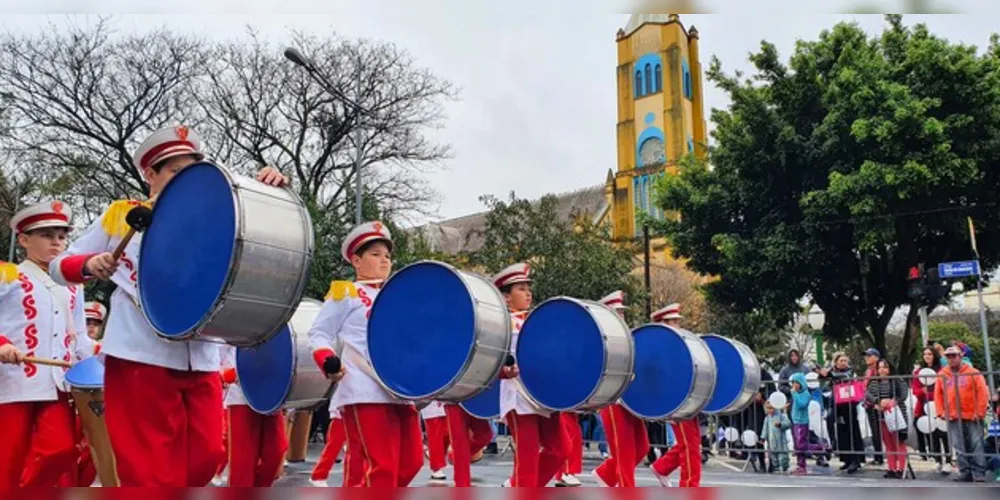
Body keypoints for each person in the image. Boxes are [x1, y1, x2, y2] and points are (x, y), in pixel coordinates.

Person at [49, 127, 288, 487]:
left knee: (207, 458)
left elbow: (263, 245)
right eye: (174, 170)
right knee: (150, 470)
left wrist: (269, 192)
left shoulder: (216, 216)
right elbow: (59, 265)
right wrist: (89, 264)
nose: (184, 180)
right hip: (140, 356)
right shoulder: (123, 214)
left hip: (202, 354)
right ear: (150, 174)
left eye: (191, 171)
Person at [309, 221, 422, 488]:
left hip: (399, 390)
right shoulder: (345, 293)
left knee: (413, 462)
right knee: (382, 466)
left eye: (387, 256)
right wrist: (327, 360)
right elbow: (319, 334)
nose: (384, 261)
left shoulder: (396, 297)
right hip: (364, 387)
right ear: (356, 261)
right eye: (375, 255)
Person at [0, 200, 94, 488]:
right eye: (47, 235)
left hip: (57, 383)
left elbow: (79, 333)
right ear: (24, 240)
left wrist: (95, 362)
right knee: (9, 459)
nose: (56, 243)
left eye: (62, 236)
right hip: (14, 382)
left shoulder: (73, 284)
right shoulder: (7, 275)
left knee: (60, 450)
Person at [495, 263, 569, 488]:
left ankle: (521, 486)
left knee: (560, 450)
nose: (528, 292)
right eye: (521, 288)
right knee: (527, 458)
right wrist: (503, 371)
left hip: (545, 395)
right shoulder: (501, 324)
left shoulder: (537, 321)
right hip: (519, 398)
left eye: (528, 288)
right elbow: (488, 359)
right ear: (506, 297)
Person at [592, 290, 650, 488]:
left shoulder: (629, 338)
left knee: (642, 448)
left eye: (622, 313)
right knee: (624, 453)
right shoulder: (601, 341)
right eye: (617, 312)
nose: (621, 317)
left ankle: (605, 475)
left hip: (633, 402)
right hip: (614, 402)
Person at [649, 303, 702, 487]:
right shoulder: (661, 348)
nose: (678, 325)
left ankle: (662, 467)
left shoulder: (679, 345)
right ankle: (689, 485)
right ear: (662, 323)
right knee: (690, 446)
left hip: (688, 400)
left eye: (678, 321)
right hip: (676, 402)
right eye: (673, 322)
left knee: (691, 443)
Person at [219, 345, 288, 486]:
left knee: (276, 451)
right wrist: (228, 373)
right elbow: (215, 351)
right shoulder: (230, 324)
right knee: (243, 463)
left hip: (270, 393)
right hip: (240, 396)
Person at [934, 346, 990, 482]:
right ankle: (965, 471)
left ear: (960, 356)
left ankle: (979, 472)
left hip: (972, 415)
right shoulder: (942, 374)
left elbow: (983, 392)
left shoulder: (973, 372)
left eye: (954, 356)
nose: (951, 359)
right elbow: (938, 394)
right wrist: (941, 411)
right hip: (953, 415)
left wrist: (980, 411)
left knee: (976, 443)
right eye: (948, 356)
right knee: (958, 445)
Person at [817, 352, 863, 474]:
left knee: (852, 431)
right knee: (841, 431)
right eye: (841, 360)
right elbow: (824, 379)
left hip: (849, 403)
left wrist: (830, 374)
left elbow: (843, 376)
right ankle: (846, 458)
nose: (844, 363)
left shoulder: (850, 371)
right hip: (837, 404)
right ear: (836, 362)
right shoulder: (832, 370)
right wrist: (820, 372)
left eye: (845, 360)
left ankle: (856, 460)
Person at [865, 358, 908, 479]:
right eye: (879, 368)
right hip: (881, 415)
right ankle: (891, 468)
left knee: (899, 442)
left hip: (896, 414)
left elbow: (903, 394)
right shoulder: (873, 382)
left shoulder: (897, 380)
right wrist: (876, 403)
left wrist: (892, 402)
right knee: (888, 443)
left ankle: (901, 469)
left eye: (885, 367)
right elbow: (867, 394)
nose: (882, 370)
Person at [912, 346, 953, 473]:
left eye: (930, 354)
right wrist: (922, 392)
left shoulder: (942, 370)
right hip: (924, 406)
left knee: (944, 432)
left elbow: (944, 389)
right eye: (925, 354)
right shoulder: (919, 372)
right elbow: (915, 389)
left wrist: (930, 393)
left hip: (940, 405)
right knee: (932, 433)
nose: (927, 356)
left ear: (934, 355)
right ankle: (937, 460)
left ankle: (948, 460)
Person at [790, 372, 826, 475]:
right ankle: (801, 466)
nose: (795, 385)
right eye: (793, 383)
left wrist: (794, 394)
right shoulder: (797, 393)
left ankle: (821, 447)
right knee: (798, 445)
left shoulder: (805, 394)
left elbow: (802, 404)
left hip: (802, 422)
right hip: (796, 421)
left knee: (802, 445)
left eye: (797, 383)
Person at [310, 409, 354, 487]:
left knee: (354, 449)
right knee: (333, 446)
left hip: (349, 412)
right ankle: (318, 475)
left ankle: (352, 482)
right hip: (343, 414)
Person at [861, 348, 884, 465]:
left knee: (878, 431)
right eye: (865, 356)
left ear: (876, 357)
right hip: (869, 404)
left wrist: (876, 402)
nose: (866, 358)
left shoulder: (879, 370)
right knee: (875, 431)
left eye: (869, 356)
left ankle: (880, 457)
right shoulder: (868, 371)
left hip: (877, 404)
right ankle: (878, 456)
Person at [421, 401, 449, 482]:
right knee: (435, 436)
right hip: (430, 402)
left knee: (447, 434)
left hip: (446, 400)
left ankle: (433, 454)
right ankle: (436, 468)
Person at [761, 401, 791, 473]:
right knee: (773, 455)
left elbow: (788, 423)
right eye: (768, 408)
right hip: (771, 441)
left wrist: (780, 425)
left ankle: (784, 466)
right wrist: (763, 438)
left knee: (782, 455)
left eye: (771, 408)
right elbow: (765, 428)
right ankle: (776, 467)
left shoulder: (781, 415)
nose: (769, 410)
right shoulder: (767, 418)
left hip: (781, 440)